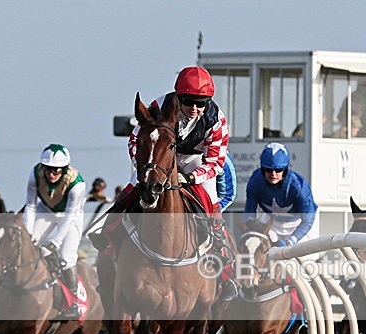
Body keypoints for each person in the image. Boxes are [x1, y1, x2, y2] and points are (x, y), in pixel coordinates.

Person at [127, 65, 229, 214]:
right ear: (179, 96)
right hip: (159, 159)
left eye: (201, 103)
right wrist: (145, 167)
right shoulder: (159, 106)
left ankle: (218, 232)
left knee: (210, 196)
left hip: (194, 161)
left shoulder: (216, 120)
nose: (194, 108)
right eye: (188, 101)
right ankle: (110, 227)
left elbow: (215, 162)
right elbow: (135, 140)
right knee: (133, 186)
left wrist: (191, 177)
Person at [23, 144, 87, 320]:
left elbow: (69, 216)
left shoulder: (77, 183)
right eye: (48, 169)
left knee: (66, 256)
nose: (52, 174)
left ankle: (75, 301)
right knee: (27, 246)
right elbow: (30, 205)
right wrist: (28, 234)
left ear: (64, 169)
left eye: (57, 171)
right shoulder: (34, 174)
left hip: (70, 216)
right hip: (45, 210)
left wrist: (55, 242)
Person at [244, 142, 318, 247]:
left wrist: (291, 240)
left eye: (278, 170)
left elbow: (308, 220)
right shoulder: (255, 182)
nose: (273, 174)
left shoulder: (298, 186)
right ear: (262, 168)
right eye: (268, 169)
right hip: (271, 223)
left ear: (285, 169)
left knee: (302, 258)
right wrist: (251, 229)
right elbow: (249, 214)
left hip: (299, 224)